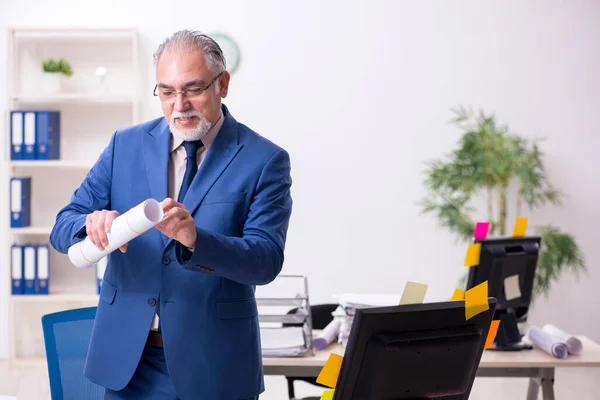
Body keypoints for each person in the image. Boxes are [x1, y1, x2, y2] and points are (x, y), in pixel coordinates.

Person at [49, 29, 293, 400]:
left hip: (216, 365)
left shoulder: (264, 160)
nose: (179, 105)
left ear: (222, 84)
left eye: (193, 89)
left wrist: (197, 241)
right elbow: (63, 224)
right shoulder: (124, 145)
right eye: (166, 91)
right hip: (129, 364)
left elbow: (265, 261)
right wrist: (89, 223)